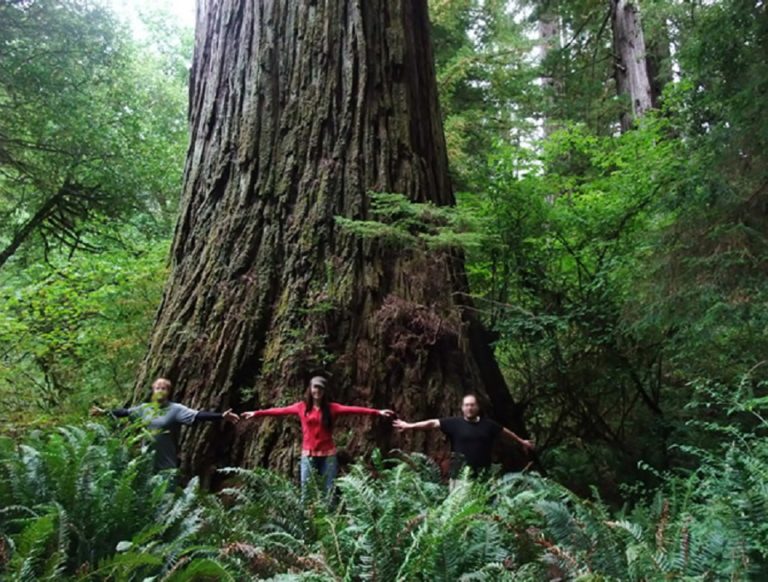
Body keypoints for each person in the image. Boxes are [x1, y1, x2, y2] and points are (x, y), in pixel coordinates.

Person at [241, 375, 395, 496]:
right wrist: (256, 413)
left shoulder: (332, 408)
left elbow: (355, 409)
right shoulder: (301, 407)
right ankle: (307, 528)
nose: (318, 391)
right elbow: (279, 411)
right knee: (307, 492)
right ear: (310, 388)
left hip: (328, 456)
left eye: (321, 388)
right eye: (315, 387)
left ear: (324, 391)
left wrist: (377, 412)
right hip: (308, 455)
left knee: (329, 491)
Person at [91, 377, 239, 472]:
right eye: (158, 388)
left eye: (164, 388)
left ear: (168, 392)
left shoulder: (176, 409)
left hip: (167, 462)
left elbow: (198, 415)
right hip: (146, 461)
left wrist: (221, 416)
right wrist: (103, 412)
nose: (160, 390)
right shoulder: (144, 409)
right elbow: (125, 412)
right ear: (153, 391)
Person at [393, 393, 534, 480]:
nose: (469, 408)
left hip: (482, 471)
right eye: (466, 405)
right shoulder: (453, 423)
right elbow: (431, 423)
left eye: (472, 405)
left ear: (477, 407)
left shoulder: (489, 424)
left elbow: (505, 432)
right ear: (462, 408)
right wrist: (409, 425)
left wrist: (522, 441)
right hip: (459, 472)